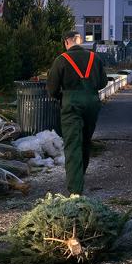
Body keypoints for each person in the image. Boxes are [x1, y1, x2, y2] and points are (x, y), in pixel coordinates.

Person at [46, 30, 107, 194]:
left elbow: (51, 89)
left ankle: (75, 191)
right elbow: (103, 82)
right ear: (79, 41)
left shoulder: (61, 60)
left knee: (73, 145)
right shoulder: (95, 58)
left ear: (66, 42)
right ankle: (80, 176)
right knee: (85, 142)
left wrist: (62, 96)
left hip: (71, 104)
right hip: (92, 103)